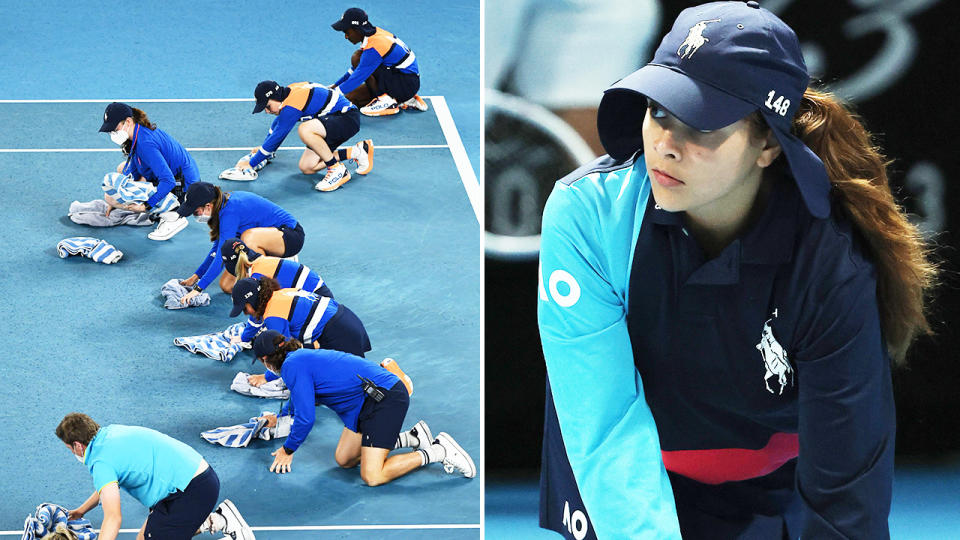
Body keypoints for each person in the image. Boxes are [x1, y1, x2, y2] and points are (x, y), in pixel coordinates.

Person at [536, 2, 937, 540]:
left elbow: (847, 485)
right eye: (658, 111)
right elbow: (603, 426)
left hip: (773, 477)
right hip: (618, 466)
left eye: (700, 125)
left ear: (768, 142)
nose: (665, 146)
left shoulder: (827, 259)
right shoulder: (586, 214)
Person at [250, 330, 476, 484]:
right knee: (345, 459)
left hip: (384, 399)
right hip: (362, 406)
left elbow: (306, 418)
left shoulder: (291, 366)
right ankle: (412, 438)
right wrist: (280, 416)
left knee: (372, 475)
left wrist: (288, 450)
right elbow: (301, 398)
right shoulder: (297, 358)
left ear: (266, 359)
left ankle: (439, 450)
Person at [56, 413, 255, 540]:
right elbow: (107, 487)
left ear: (78, 445)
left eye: (69, 449)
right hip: (194, 479)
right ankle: (218, 519)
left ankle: (225, 525)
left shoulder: (100, 462)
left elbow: (113, 518)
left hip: (190, 491)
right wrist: (82, 510)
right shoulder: (109, 434)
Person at [177, 182, 304, 303]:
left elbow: (221, 257)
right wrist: (196, 277)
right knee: (227, 286)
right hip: (267, 237)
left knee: (248, 238)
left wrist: (199, 289)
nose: (195, 216)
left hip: (290, 236)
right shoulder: (220, 209)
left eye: (195, 212)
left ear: (208, 206)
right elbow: (217, 250)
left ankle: (266, 286)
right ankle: (275, 265)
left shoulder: (231, 211)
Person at [230, 276, 370, 385]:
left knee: (352, 383)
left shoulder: (273, 315)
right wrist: (244, 337)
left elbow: (285, 352)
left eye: (245, 307)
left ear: (253, 301)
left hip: (339, 334)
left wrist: (266, 377)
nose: (246, 312)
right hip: (347, 320)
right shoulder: (280, 294)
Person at [237, 80, 373, 192]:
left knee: (305, 129)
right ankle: (358, 151)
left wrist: (251, 163)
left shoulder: (292, 104)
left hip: (346, 119)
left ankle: (336, 169)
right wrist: (265, 150)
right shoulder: (287, 95)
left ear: (275, 97)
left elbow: (279, 136)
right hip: (331, 122)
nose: (267, 111)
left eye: (267, 106)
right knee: (307, 167)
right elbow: (277, 124)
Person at [98, 102, 201, 241]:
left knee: (109, 197)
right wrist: (119, 195)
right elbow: (132, 170)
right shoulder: (138, 133)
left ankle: (173, 215)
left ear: (128, 121)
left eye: (114, 129)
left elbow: (168, 181)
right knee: (122, 169)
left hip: (184, 190)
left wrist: (144, 206)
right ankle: (159, 205)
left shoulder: (145, 143)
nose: (112, 134)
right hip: (181, 177)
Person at [329, 8, 429, 116]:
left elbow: (358, 77)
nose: (346, 36)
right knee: (351, 98)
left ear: (357, 30)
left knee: (357, 58)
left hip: (404, 84)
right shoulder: (373, 36)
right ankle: (405, 99)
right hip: (402, 80)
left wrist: (332, 96)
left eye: (347, 32)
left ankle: (387, 101)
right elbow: (354, 70)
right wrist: (334, 87)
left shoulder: (374, 47)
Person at [221, 237, 334, 298]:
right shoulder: (261, 262)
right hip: (321, 296)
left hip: (318, 301)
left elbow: (263, 314)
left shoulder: (258, 277)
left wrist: (245, 337)